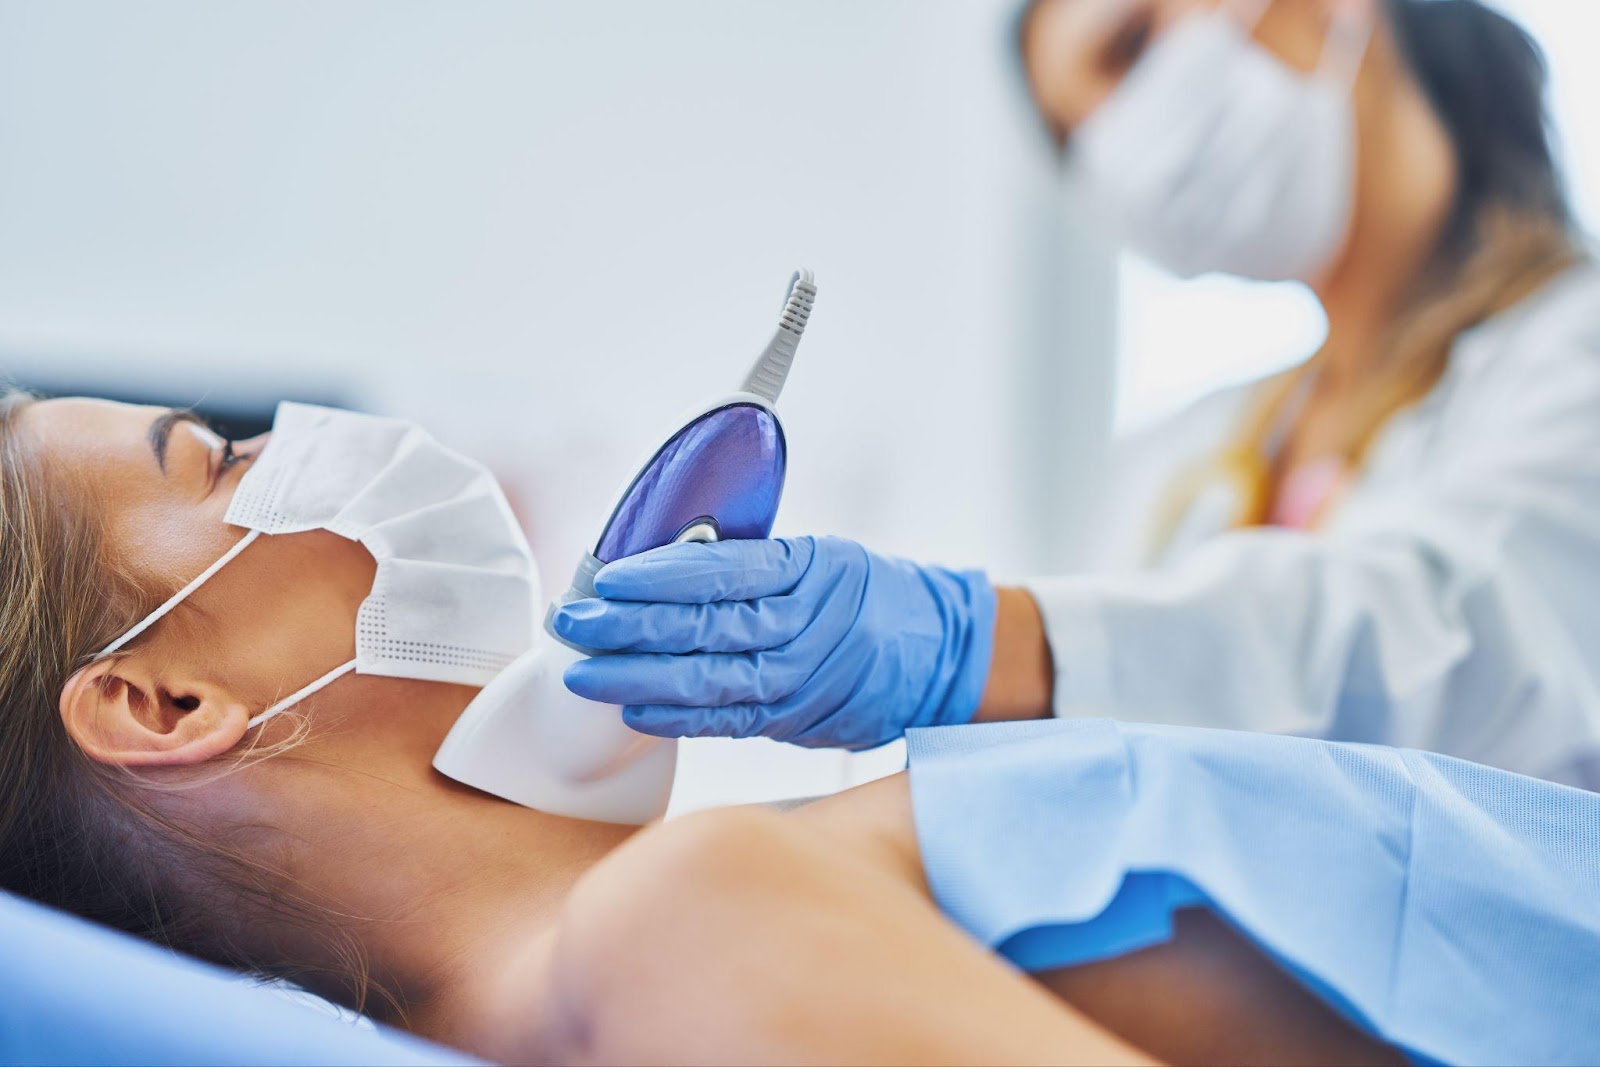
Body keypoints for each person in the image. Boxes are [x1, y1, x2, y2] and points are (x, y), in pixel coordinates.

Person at [4, 391, 1598, 1064]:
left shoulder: (663, 940)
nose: (325, 448)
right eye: (217, 460)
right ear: (159, 702)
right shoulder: (671, 927)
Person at [557, 0, 1600, 791]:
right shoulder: (1186, 455)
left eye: (1131, 49)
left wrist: (974, 642)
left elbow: (1472, 650)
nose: (1122, 149)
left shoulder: (1572, 350)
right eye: (1078, 134)